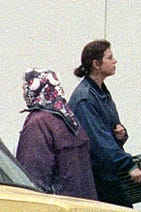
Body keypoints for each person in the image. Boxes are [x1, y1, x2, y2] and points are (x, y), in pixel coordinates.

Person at [68, 40, 141, 208]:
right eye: (110, 57)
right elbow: (97, 141)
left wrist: (121, 134)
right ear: (96, 64)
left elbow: (107, 131)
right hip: (97, 177)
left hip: (108, 173)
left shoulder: (101, 92)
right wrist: (128, 164)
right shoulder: (85, 98)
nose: (115, 61)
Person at [16, 69, 97, 199]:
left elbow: (32, 175)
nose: (24, 94)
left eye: (24, 89)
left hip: (56, 208)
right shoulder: (70, 119)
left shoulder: (38, 123)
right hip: (85, 207)